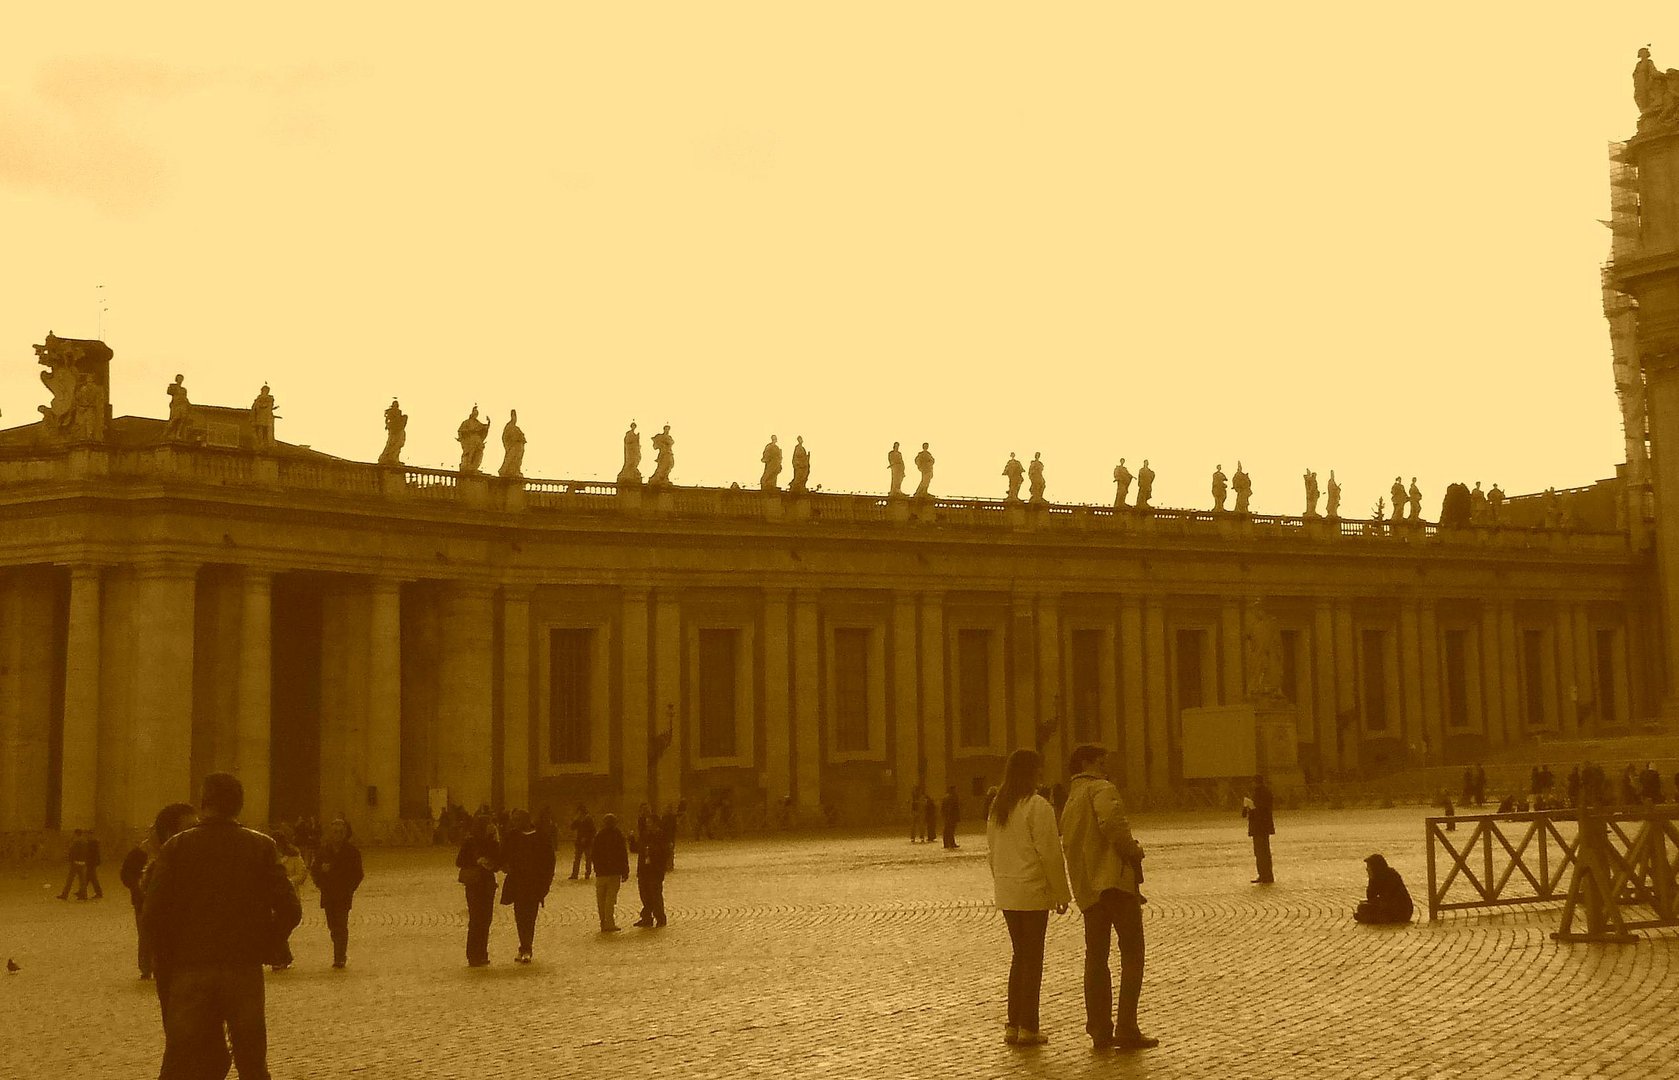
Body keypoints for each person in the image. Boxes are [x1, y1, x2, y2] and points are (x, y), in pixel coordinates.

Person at [142, 773, 301, 1080]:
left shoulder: (176, 847)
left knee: (181, 1060)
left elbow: (152, 913)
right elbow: (290, 909)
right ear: (238, 805)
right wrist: (266, 943)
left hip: (190, 969)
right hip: (242, 969)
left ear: (204, 802)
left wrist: (171, 955)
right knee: (252, 1062)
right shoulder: (261, 846)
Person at [1060, 744, 1156, 1051]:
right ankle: (1127, 1026)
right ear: (1087, 762)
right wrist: (1133, 850)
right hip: (1114, 882)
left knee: (1096, 958)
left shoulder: (1070, 799)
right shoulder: (1101, 788)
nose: (1106, 765)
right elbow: (1113, 824)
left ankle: (1099, 1029)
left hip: (1088, 888)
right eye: (1101, 760)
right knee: (1132, 953)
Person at [985, 749, 1072, 1047]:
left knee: (1019, 957)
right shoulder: (1039, 806)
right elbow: (1049, 852)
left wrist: (1001, 881)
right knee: (1032, 959)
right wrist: (1062, 892)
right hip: (1032, 890)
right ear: (1031, 771)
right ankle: (1029, 1027)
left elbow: (992, 852)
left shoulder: (999, 806)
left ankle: (1013, 1023)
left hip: (1008, 890)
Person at [500, 809, 556, 963]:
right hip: (517, 883)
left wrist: (545, 882)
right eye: (514, 820)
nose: (515, 823)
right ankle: (524, 946)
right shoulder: (512, 836)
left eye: (518, 820)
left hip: (534, 884)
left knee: (530, 917)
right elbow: (503, 854)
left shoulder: (540, 837)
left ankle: (527, 947)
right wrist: (504, 865)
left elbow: (549, 862)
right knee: (520, 916)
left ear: (526, 820)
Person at [310, 819, 364, 970]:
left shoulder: (352, 852)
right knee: (333, 926)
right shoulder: (323, 851)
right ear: (330, 834)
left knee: (341, 925)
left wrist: (349, 889)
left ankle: (340, 956)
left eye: (340, 832)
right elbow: (314, 871)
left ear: (345, 833)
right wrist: (321, 879)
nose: (338, 835)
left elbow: (358, 874)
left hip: (343, 895)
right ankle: (338, 951)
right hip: (328, 894)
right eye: (335, 832)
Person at [456, 816, 501, 967]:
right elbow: (460, 861)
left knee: (485, 920)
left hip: (487, 884)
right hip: (475, 884)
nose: (491, 826)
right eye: (488, 824)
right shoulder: (470, 842)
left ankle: (482, 952)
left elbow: (497, 863)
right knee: (476, 919)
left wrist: (491, 862)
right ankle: (473, 954)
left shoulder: (492, 843)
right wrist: (477, 861)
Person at [120, 829, 154, 977]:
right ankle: (146, 967)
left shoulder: (169, 851)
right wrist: (137, 888)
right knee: (145, 935)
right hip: (142, 901)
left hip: (164, 900)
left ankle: (159, 965)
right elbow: (126, 874)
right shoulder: (138, 854)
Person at [590, 813, 630, 932]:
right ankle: (609, 922)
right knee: (610, 899)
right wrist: (625, 870)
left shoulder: (599, 835)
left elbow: (594, 854)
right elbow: (623, 854)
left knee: (601, 899)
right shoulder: (618, 835)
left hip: (601, 872)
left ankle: (603, 921)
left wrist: (597, 867)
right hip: (614, 871)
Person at [1354, 854, 1414, 924]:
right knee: (1362, 907)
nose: (1367, 869)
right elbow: (1370, 896)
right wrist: (1371, 879)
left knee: (1366, 908)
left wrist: (1376, 902)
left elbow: (1388, 898)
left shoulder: (1391, 876)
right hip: (1388, 907)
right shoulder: (1376, 877)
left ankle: (1371, 918)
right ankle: (1370, 917)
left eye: (1368, 866)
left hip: (1401, 910)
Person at [633, 817, 670, 928]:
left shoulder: (661, 836)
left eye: (650, 823)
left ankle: (660, 918)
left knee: (655, 895)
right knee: (645, 895)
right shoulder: (645, 835)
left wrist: (651, 850)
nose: (648, 825)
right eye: (647, 823)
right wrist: (631, 840)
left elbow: (664, 852)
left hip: (655, 870)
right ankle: (647, 918)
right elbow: (636, 849)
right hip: (644, 870)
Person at [1246, 774, 1275, 884]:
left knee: (1261, 851)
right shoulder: (1265, 792)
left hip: (1259, 826)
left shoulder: (1260, 793)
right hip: (1263, 826)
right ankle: (1265, 874)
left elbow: (1261, 808)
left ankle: (1265, 875)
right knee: (1263, 851)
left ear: (1255, 782)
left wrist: (1251, 808)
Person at [56, 829, 92, 901]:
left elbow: (73, 852)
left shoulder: (76, 842)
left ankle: (65, 894)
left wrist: (70, 859)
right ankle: (84, 895)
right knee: (82, 881)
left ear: (75, 834)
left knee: (70, 880)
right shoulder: (85, 842)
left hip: (75, 863)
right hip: (83, 863)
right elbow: (87, 852)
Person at [569, 804, 596, 880]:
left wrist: (586, 838)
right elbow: (572, 827)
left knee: (587, 858)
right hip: (579, 842)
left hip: (587, 843)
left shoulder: (589, 819)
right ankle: (575, 874)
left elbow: (593, 831)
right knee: (578, 859)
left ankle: (587, 873)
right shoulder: (579, 820)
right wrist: (575, 819)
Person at [660, 805, 680, 871]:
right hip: (667, 836)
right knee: (668, 851)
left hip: (669, 836)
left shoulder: (669, 818)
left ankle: (669, 865)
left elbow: (673, 828)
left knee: (669, 851)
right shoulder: (666, 817)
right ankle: (668, 865)